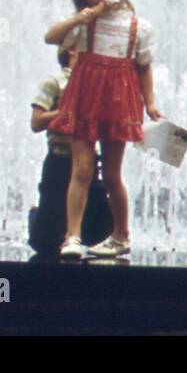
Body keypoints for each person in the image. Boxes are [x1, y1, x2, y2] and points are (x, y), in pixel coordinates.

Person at [44, 0, 161, 259]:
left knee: (111, 174)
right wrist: (83, 16)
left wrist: (150, 103)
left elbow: (144, 68)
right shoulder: (84, 25)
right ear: (86, 1)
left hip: (117, 102)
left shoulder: (139, 27)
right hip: (84, 98)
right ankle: (73, 236)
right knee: (81, 170)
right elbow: (51, 37)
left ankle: (121, 234)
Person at [26, 47, 114, 256]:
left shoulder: (95, 85)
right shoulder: (54, 82)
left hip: (88, 161)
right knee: (46, 239)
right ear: (73, 52)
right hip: (60, 159)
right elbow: (36, 122)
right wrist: (65, 113)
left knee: (100, 229)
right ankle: (36, 216)